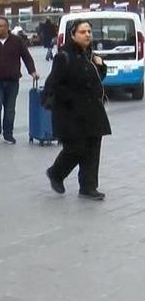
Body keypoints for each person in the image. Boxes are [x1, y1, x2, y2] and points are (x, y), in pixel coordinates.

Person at [43, 20, 111, 201]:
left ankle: (88, 187)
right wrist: (73, 99)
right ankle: (56, 173)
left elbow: (96, 78)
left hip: (92, 111)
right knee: (76, 148)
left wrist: (101, 65)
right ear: (73, 35)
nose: (87, 35)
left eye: (89, 31)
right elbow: (55, 85)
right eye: (82, 32)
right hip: (70, 112)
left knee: (92, 148)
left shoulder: (90, 54)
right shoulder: (64, 56)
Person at [0, 16, 39, 146]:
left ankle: (8, 134)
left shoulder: (17, 41)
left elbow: (26, 57)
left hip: (12, 80)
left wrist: (32, 71)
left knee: (10, 109)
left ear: (7, 27)